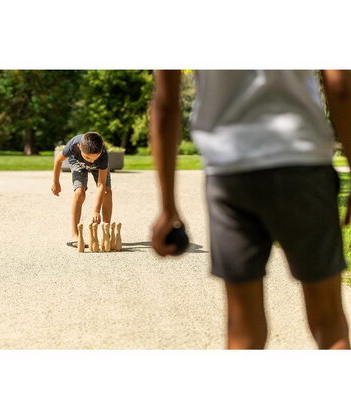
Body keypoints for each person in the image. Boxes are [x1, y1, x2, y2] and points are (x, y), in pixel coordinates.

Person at [150, 70, 350, 349]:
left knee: (244, 332)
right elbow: (340, 87)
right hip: (303, 165)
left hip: (231, 172)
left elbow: (166, 104)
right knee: (330, 325)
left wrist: (168, 206)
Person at [51, 132, 112, 248]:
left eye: (95, 157)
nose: (91, 161)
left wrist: (96, 210)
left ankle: (106, 230)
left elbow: (101, 185)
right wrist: (56, 182)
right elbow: (58, 161)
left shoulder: (102, 154)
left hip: (99, 167)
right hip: (77, 162)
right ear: (79, 147)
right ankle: (74, 234)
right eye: (88, 157)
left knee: (107, 192)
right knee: (79, 193)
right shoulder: (73, 145)